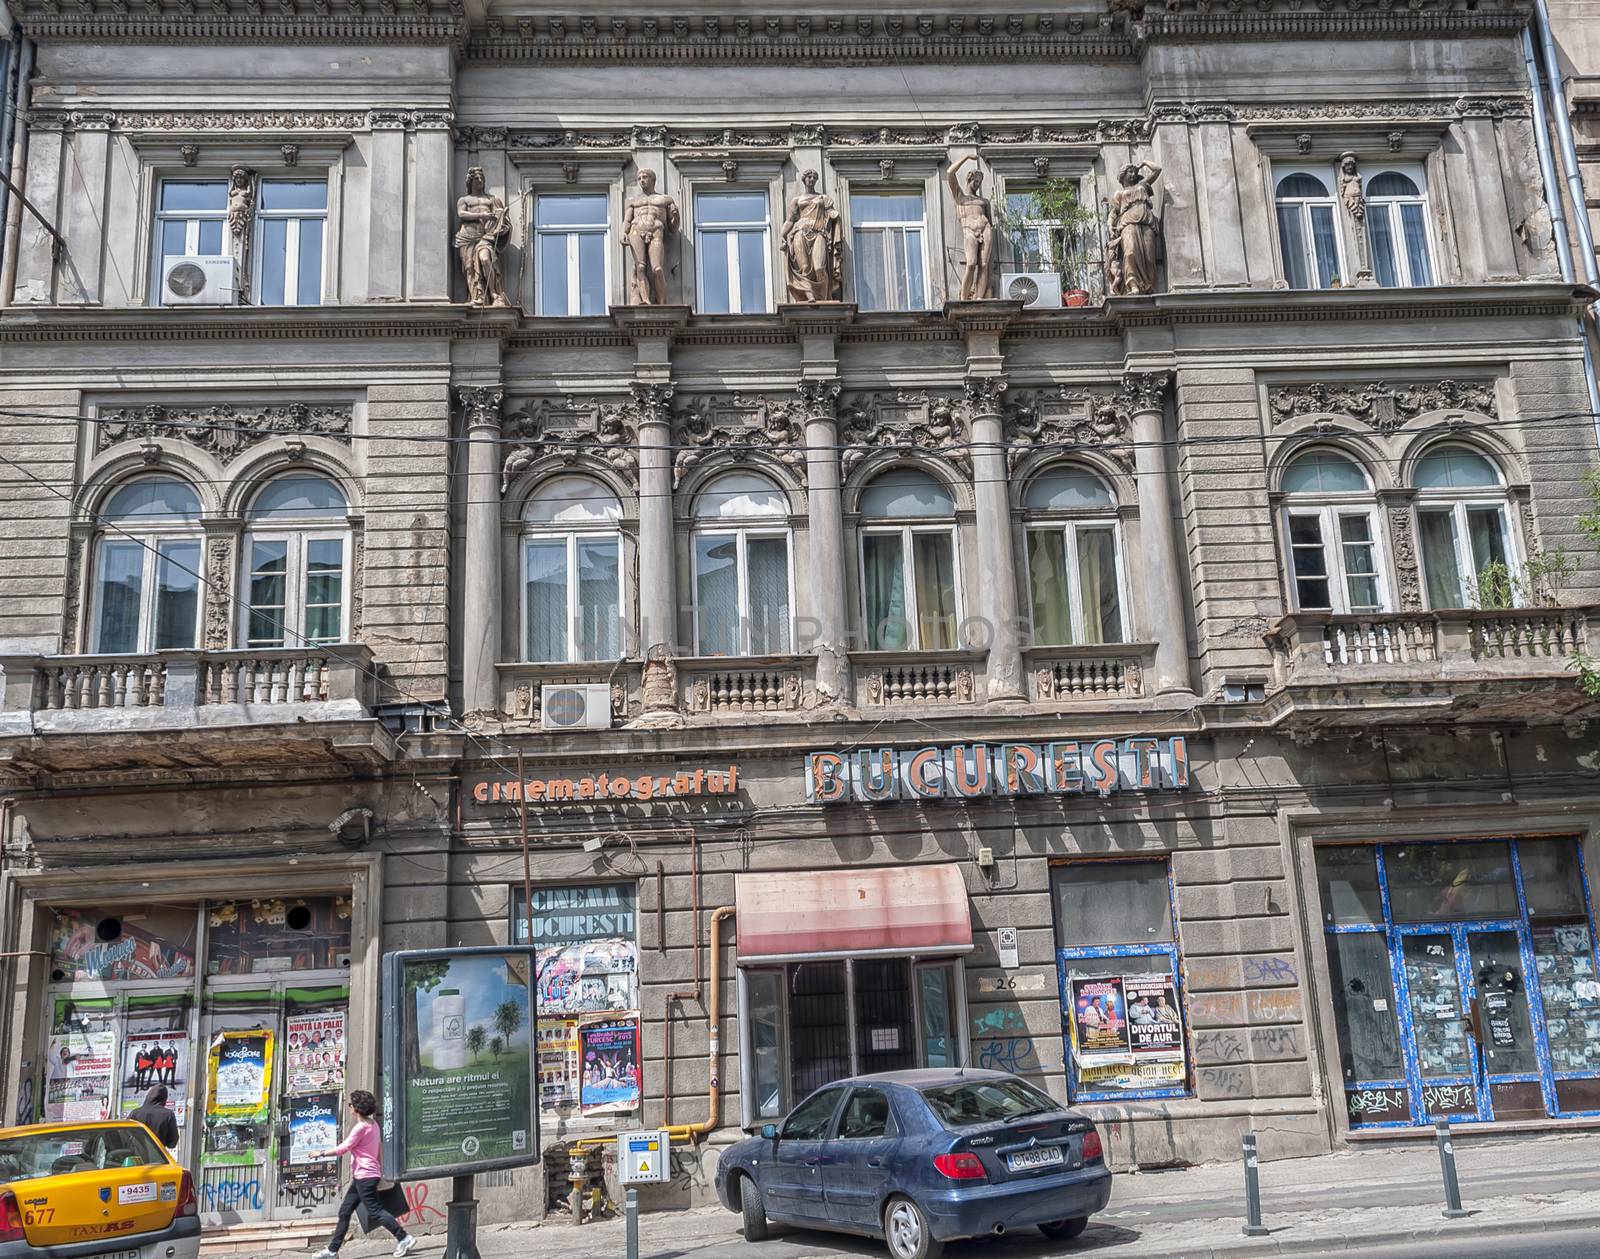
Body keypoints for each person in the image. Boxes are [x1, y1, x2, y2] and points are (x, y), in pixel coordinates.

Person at [313, 1090, 416, 1259]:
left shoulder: (360, 1128)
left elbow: (343, 1148)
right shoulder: (373, 1124)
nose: (349, 1108)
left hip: (365, 1176)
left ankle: (403, 1237)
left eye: (351, 1105)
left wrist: (320, 1153)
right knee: (345, 1212)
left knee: (375, 1211)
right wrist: (381, 1169)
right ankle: (332, 1251)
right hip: (366, 1175)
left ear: (357, 1109)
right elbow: (379, 1147)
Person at [128, 1083, 180, 1149]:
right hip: (157, 1156)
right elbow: (172, 1143)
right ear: (164, 1098)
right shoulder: (168, 1114)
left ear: (148, 1096)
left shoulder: (135, 1113)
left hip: (136, 1156)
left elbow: (125, 1135)